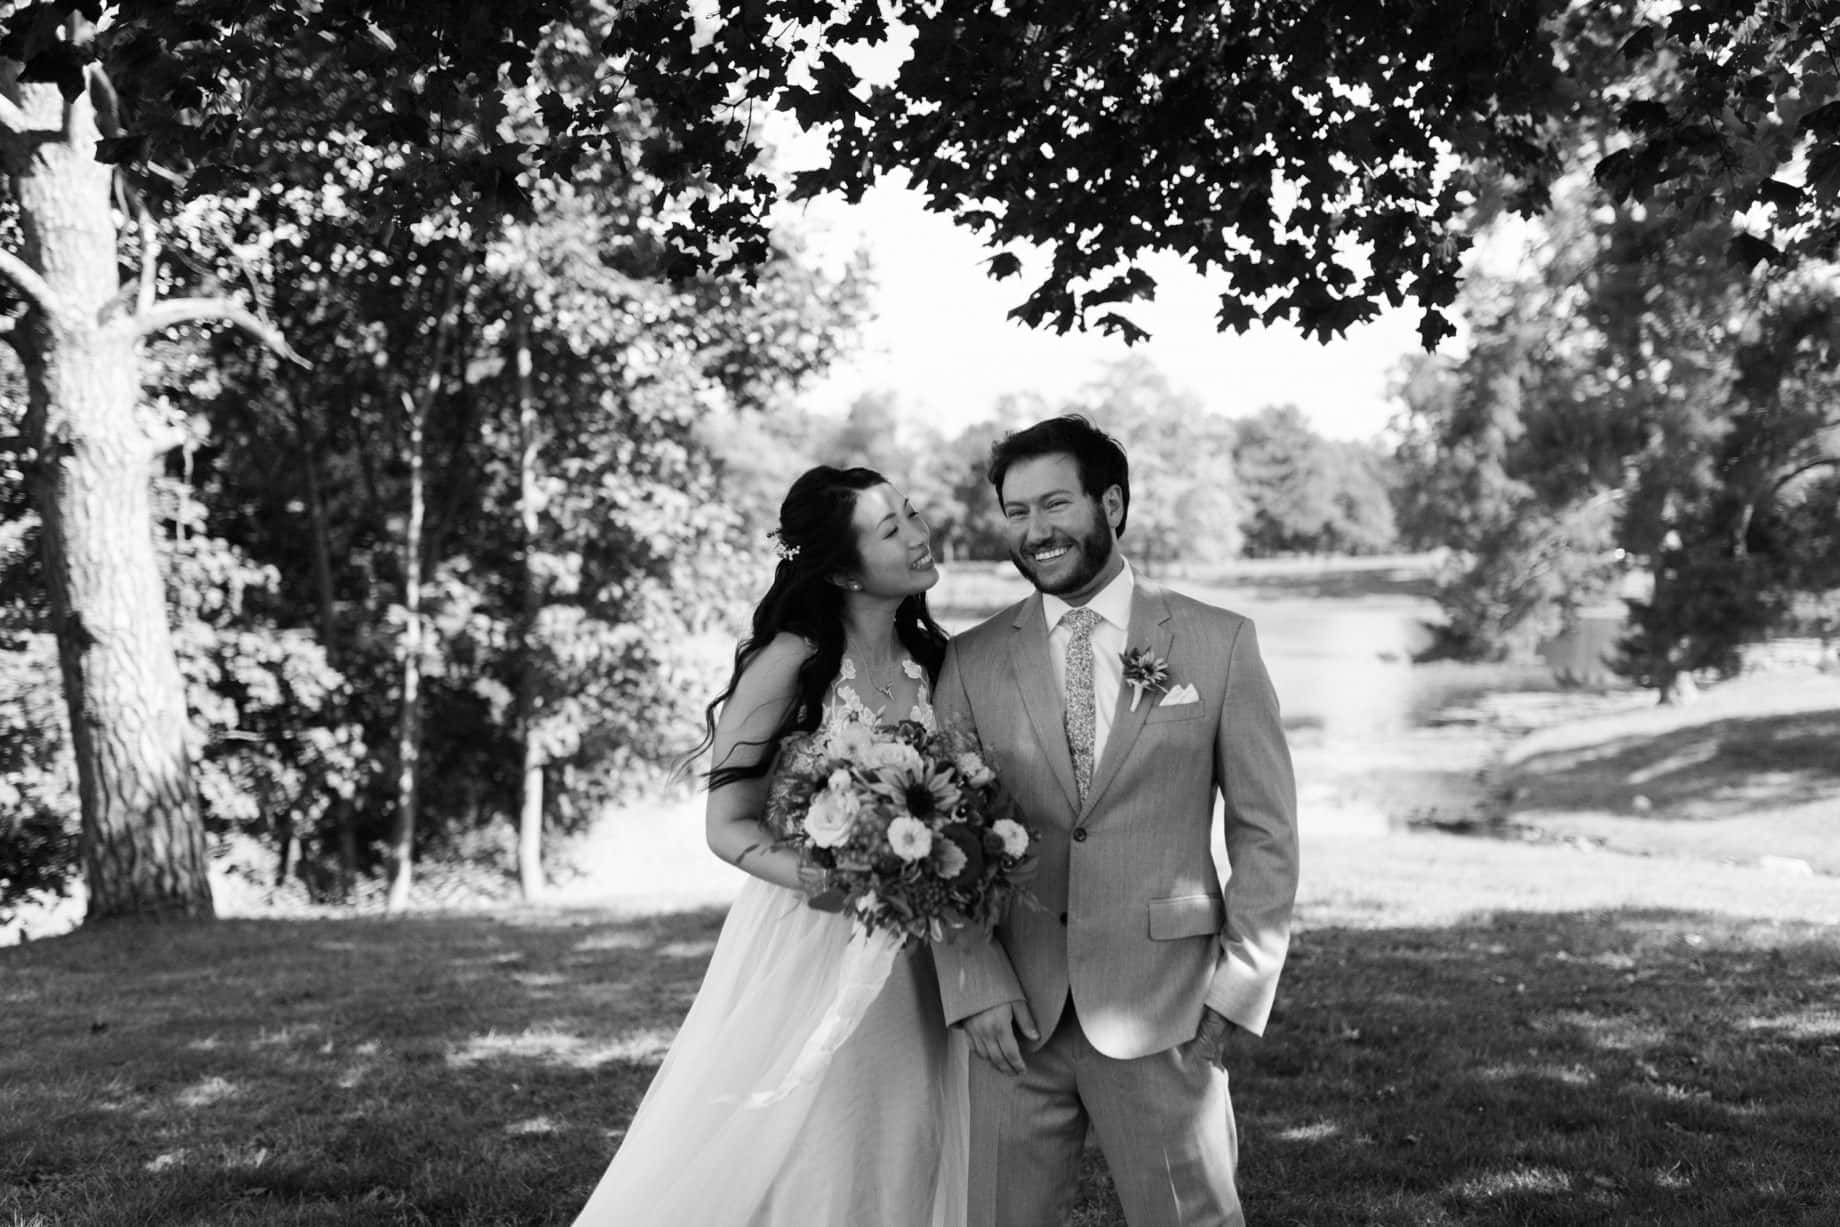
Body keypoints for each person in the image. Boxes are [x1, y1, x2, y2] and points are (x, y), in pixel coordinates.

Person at [571, 465, 968, 1226]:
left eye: (913, 513)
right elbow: (727, 826)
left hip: (921, 947)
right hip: (811, 932)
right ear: (845, 569)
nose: (920, 535)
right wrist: (841, 878)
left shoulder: (940, 664)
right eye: (893, 529)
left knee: (911, 1129)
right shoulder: (787, 662)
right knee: (815, 1134)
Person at [932, 416, 1300, 1227]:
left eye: (1055, 503)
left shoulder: (1218, 644)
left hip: (1166, 1003)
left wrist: (1240, 988)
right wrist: (971, 980)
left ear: (1113, 502)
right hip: (1013, 1019)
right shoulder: (969, 660)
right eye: (1017, 511)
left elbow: (1265, 832)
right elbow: (940, 839)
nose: (1036, 530)